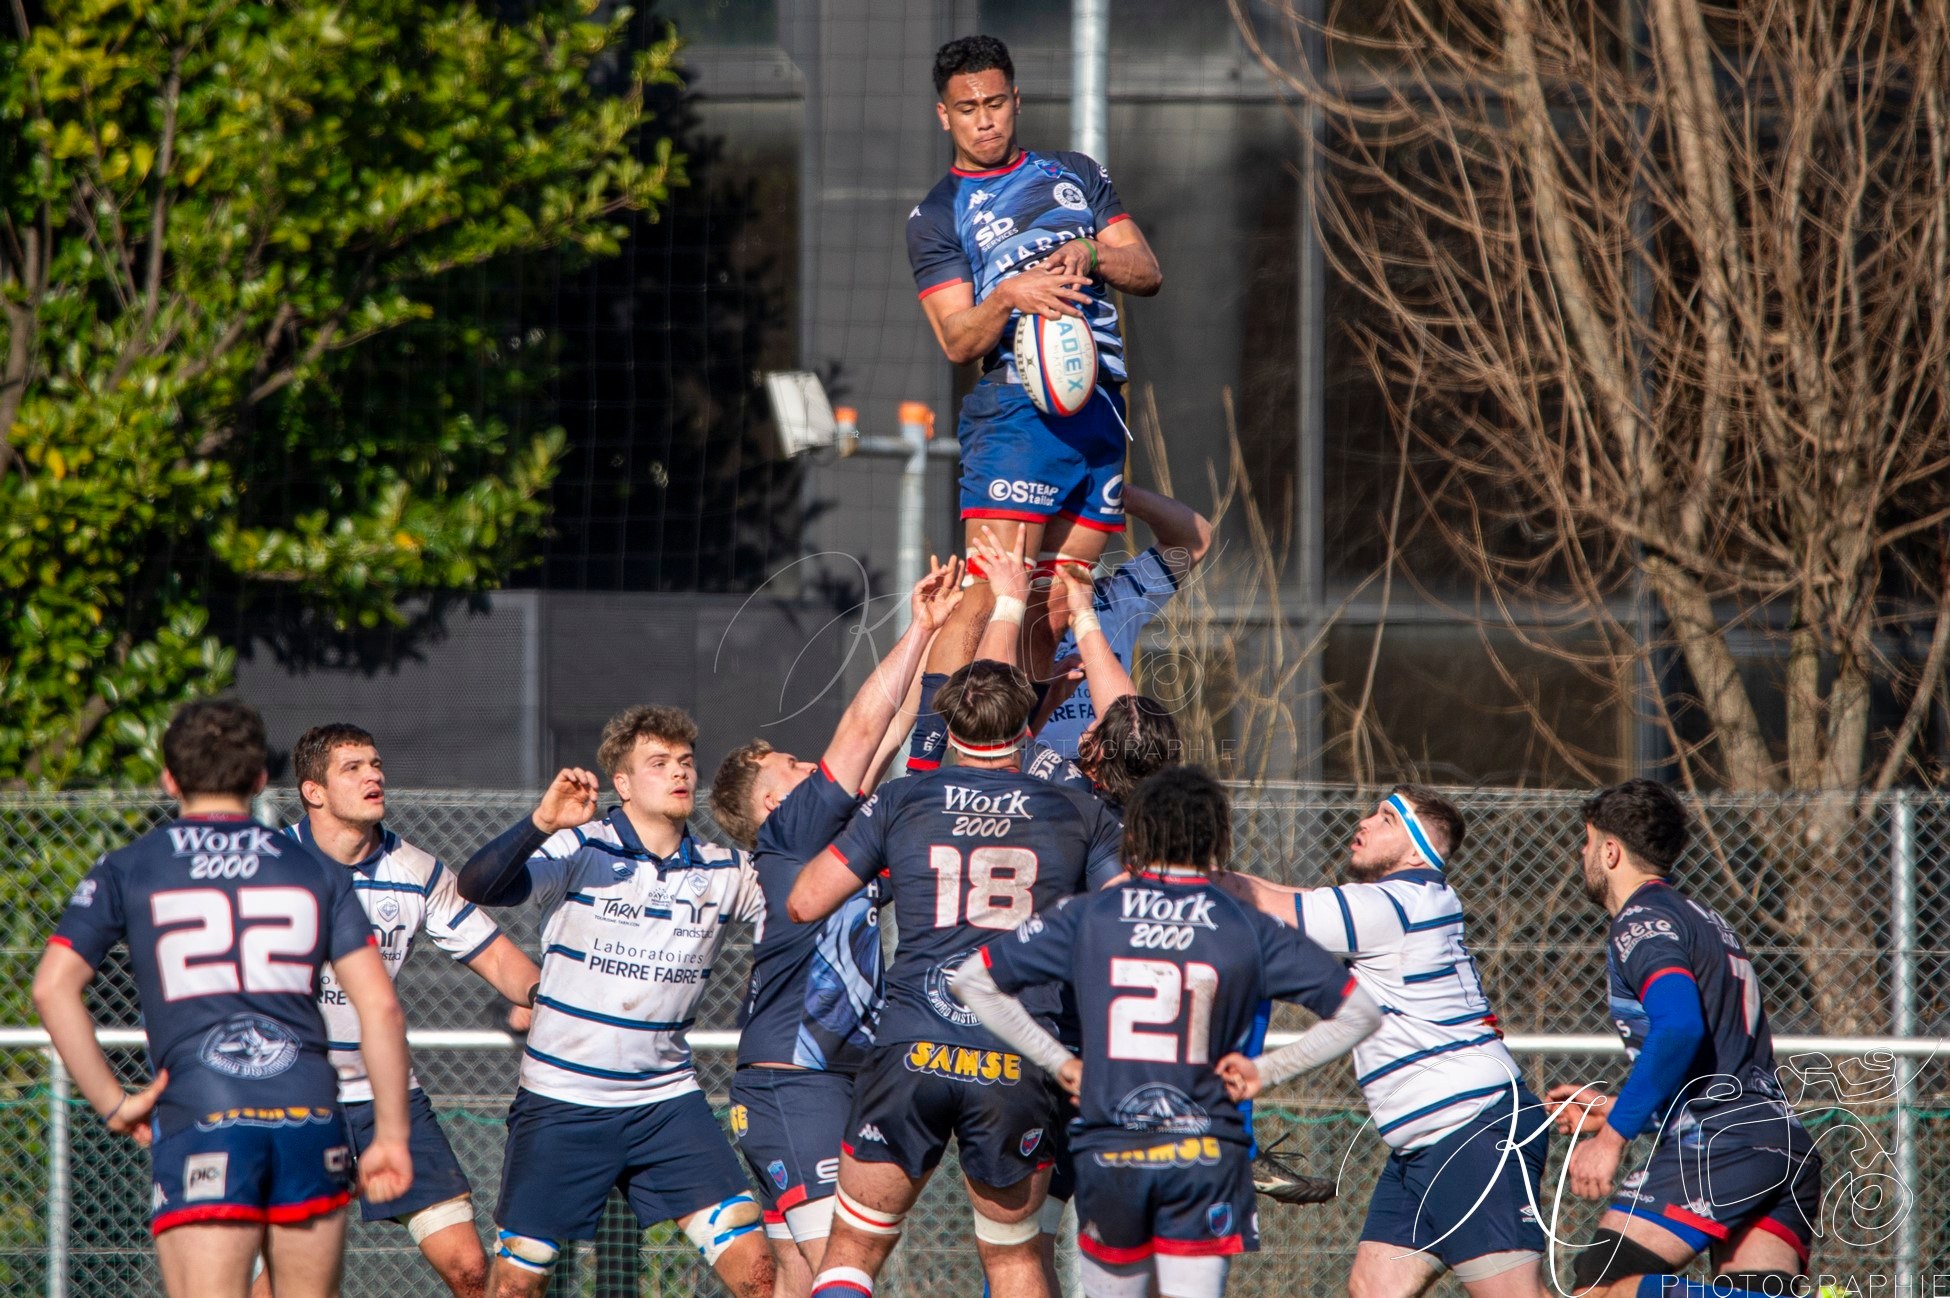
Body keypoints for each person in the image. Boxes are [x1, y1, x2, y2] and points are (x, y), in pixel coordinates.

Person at [950, 766, 1385, 1298]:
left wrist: (1059, 1061)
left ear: (1134, 835)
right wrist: (1267, 1071)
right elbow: (1360, 1011)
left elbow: (973, 981)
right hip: (1205, 1149)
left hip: (1113, 1148)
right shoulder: (1245, 923)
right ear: (1218, 839)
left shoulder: (1090, 915)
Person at [32, 699, 414, 1298]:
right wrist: (391, 1134)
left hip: (202, 1113)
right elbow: (382, 1008)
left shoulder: (131, 866)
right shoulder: (314, 870)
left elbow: (52, 987)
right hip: (308, 1113)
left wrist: (114, 1102)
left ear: (169, 779)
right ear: (261, 778)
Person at [784, 659, 1126, 1298]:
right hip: (1016, 1052)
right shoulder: (1079, 810)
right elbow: (1127, 926)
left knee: (855, 1246)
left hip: (911, 1042)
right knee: (1015, 1260)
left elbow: (804, 901)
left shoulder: (901, 799)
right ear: (1027, 726)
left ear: (951, 724)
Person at [455, 706, 773, 1298]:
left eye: (684, 762)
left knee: (757, 1271)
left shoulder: (727, 870)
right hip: (563, 1103)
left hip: (666, 1105)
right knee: (514, 1286)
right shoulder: (580, 847)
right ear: (622, 784)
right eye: (658, 763)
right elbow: (477, 887)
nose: (679, 773)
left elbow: (810, 897)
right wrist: (540, 822)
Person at [709, 560, 964, 1283]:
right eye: (788, 764)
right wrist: (917, 628)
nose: (806, 766)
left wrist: (939, 657)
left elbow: (887, 742)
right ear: (768, 804)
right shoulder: (789, 836)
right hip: (796, 1084)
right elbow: (861, 730)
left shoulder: (836, 859)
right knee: (841, 1269)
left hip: (821, 1082)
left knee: (799, 1277)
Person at [1219, 786, 1552, 1298]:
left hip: (1472, 1127)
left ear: (1418, 850)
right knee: (1373, 1288)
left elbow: (1267, 902)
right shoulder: (1408, 899)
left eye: (1389, 818)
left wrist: (1169, 871)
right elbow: (1279, 894)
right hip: (1423, 1144)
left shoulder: (1396, 903)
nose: (1367, 821)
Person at [246, 724, 543, 1298]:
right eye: (352, 768)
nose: (373, 775)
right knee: (291, 1281)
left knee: (470, 1269)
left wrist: (550, 1000)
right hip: (290, 1099)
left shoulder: (417, 870)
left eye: (376, 764)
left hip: (387, 1101)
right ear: (313, 791)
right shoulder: (267, 866)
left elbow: (503, 961)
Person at [905, 33, 1164, 689]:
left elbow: (1148, 269)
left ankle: (1011, 760)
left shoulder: (1075, 172)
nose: (984, 119)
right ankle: (931, 771)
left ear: (1016, 100)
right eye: (967, 108)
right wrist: (1010, 294)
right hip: (1018, 406)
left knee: (1054, 604)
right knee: (991, 592)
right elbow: (958, 339)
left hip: (1099, 404)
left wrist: (1093, 255)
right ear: (945, 114)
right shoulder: (938, 214)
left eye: (995, 102)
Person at [1548, 780, 1822, 1298]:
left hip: (1722, 1146)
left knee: (1600, 1291)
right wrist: (1621, 1105)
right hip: (1777, 1142)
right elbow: (1722, 1061)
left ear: (1610, 851)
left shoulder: (1641, 920)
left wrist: (1612, 1138)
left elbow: (1680, 1027)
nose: (1581, 854)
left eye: (1586, 842)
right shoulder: (1703, 918)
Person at [1033, 483, 1212, 761]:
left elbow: (1194, 538)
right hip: (1033, 782)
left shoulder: (1112, 598)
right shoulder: (1005, 604)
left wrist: (1115, 493)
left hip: (1112, 775)